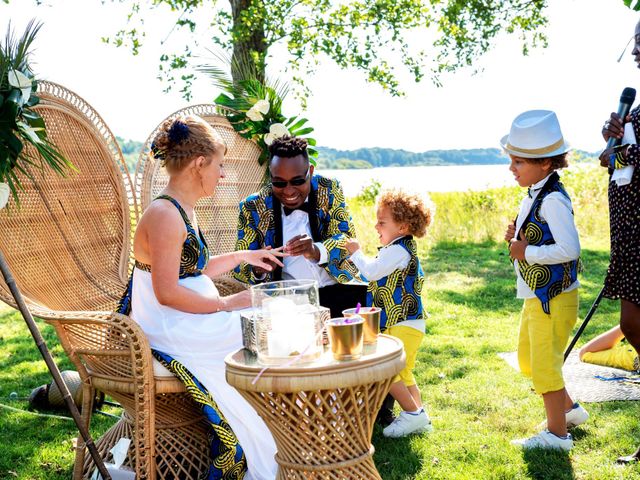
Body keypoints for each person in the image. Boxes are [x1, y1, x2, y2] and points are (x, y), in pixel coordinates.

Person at [116, 116, 283, 479]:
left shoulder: (182, 209)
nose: (222, 175)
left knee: (266, 326)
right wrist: (227, 304)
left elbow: (193, 269)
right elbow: (167, 291)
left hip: (188, 316)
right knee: (256, 330)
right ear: (199, 163)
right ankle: (266, 450)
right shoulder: (164, 214)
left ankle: (280, 434)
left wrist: (244, 256)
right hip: (170, 326)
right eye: (220, 165)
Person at [502, 110, 589, 451]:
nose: (512, 168)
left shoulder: (553, 198)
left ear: (544, 163)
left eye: (518, 162)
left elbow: (570, 248)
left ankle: (557, 436)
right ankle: (568, 410)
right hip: (537, 296)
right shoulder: (537, 193)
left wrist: (528, 252)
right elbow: (538, 236)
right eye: (512, 161)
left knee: (544, 366)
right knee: (528, 360)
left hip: (552, 297)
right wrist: (519, 236)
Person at [233, 135, 367, 318]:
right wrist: (259, 270)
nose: (288, 191)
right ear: (270, 177)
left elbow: (345, 238)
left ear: (310, 172)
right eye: (279, 183)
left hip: (341, 291)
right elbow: (240, 266)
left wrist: (315, 250)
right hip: (290, 305)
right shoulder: (252, 206)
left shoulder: (329, 189)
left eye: (297, 181)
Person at [344, 188, 433, 438]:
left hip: (404, 322)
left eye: (382, 222)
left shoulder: (398, 250)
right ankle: (419, 415)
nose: (376, 226)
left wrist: (355, 253)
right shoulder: (397, 248)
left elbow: (371, 272)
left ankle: (411, 415)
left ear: (403, 227)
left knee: (387, 369)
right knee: (404, 370)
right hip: (408, 323)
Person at [599, 18, 640, 463]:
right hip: (629, 234)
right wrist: (612, 141)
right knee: (630, 326)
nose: (635, 51)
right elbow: (615, 164)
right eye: (635, 43)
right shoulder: (635, 109)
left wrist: (624, 146)